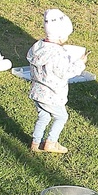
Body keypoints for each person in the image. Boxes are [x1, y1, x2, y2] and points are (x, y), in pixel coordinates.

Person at [27, 9, 87, 154]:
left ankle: (35, 143)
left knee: (44, 116)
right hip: (52, 95)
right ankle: (51, 142)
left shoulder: (38, 46)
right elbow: (64, 72)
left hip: (37, 91)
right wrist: (80, 63)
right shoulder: (58, 54)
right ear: (60, 36)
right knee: (61, 117)